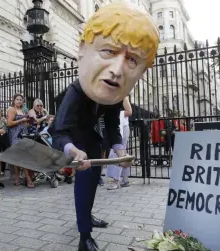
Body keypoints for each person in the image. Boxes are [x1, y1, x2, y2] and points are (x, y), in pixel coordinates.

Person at [50, 3, 159, 250]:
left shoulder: (115, 93)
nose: (117, 70)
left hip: (92, 140)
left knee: (92, 182)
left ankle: (87, 217)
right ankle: (84, 236)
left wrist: (120, 150)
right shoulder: (76, 91)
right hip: (75, 142)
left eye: (131, 60)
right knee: (85, 181)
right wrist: (73, 151)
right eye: (109, 51)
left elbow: (112, 126)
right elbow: (59, 131)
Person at [106, 97, 133, 190]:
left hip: (121, 126)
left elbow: (129, 111)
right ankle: (124, 179)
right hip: (114, 125)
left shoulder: (122, 95)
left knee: (117, 152)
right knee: (120, 152)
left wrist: (117, 114)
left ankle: (116, 180)